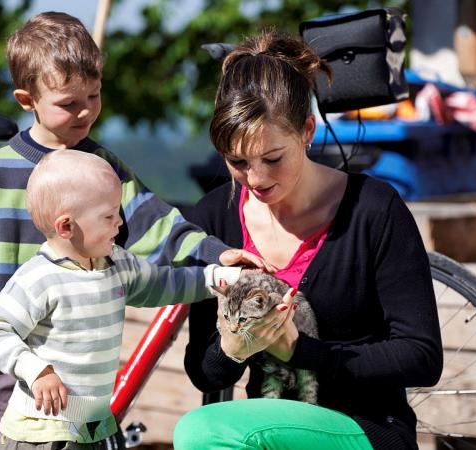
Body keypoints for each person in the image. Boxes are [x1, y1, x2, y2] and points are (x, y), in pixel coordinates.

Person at [0, 11, 264, 450]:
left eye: (93, 96)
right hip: (13, 353)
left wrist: (213, 252)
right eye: (67, 102)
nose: (85, 111)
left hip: (80, 359)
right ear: (27, 99)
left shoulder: (104, 168)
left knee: (78, 435)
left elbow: (154, 220)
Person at [174, 30, 443, 450]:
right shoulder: (214, 216)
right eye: (237, 161)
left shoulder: (374, 209)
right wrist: (230, 348)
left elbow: (422, 356)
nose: (257, 179)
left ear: (306, 131)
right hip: (266, 428)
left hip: (366, 426)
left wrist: (300, 351)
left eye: (273, 158)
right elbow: (203, 374)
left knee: (203, 432)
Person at [0, 150, 242, 449]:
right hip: (42, 433)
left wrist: (217, 279)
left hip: (94, 426)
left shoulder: (115, 264)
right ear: (66, 227)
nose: (120, 222)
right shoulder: (38, 278)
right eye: (108, 215)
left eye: (118, 211)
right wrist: (36, 370)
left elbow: (163, 283)